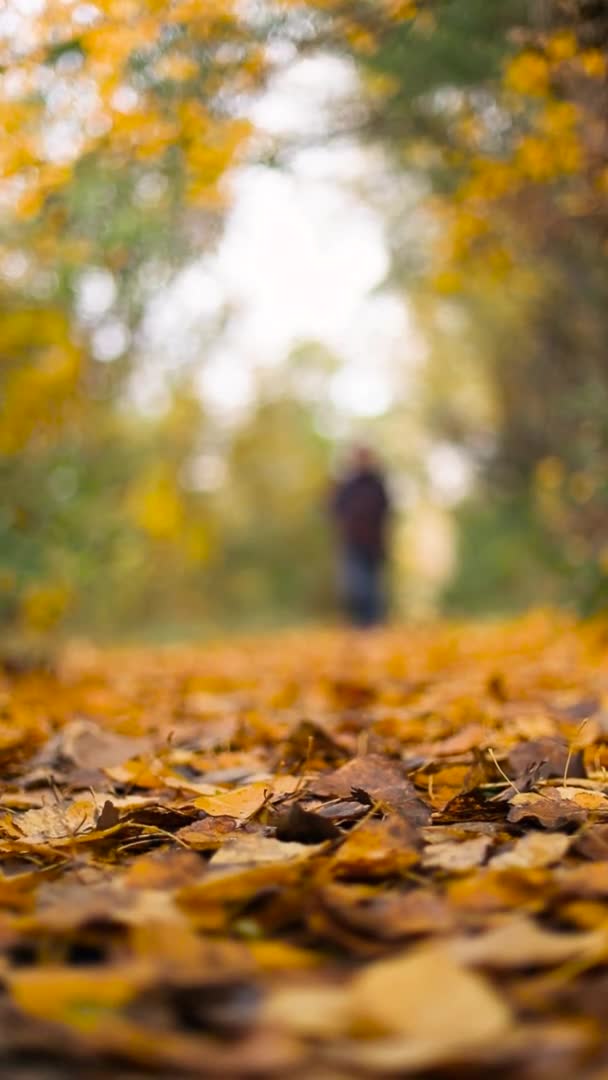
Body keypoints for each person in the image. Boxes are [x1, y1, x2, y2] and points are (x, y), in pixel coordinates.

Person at [329, 446, 391, 627]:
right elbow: (333, 508)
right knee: (355, 585)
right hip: (351, 542)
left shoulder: (377, 484)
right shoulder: (346, 485)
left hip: (374, 543)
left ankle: (373, 625)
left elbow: (386, 511)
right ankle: (358, 624)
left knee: (373, 585)